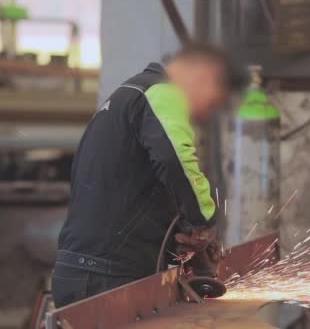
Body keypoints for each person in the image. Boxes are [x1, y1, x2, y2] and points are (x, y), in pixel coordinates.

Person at [52, 44, 230, 308]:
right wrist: (203, 220)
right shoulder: (161, 92)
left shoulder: (126, 96)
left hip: (85, 271)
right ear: (203, 77)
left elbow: (133, 190)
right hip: (107, 277)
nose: (204, 114)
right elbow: (176, 160)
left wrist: (175, 237)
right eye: (212, 101)